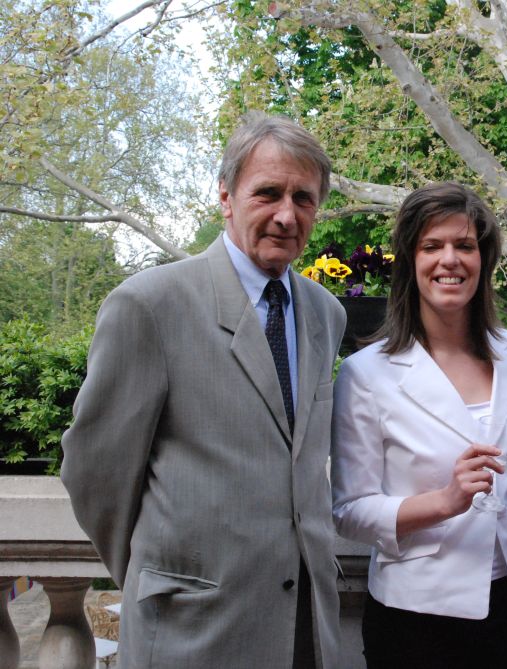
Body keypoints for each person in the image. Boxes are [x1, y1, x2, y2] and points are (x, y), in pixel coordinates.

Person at [61, 112, 345, 668]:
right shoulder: (150, 305)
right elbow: (96, 472)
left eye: (303, 199)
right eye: (268, 193)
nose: (287, 215)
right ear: (226, 197)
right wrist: (157, 575)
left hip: (306, 630)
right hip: (190, 633)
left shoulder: (325, 313)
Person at [331, 182, 507, 668]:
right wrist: (446, 501)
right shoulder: (366, 374)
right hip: (415, 617)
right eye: (431, 246)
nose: (449, 259)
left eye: (464, 245)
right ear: (410, 262)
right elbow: (348, 511)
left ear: (483, 259)